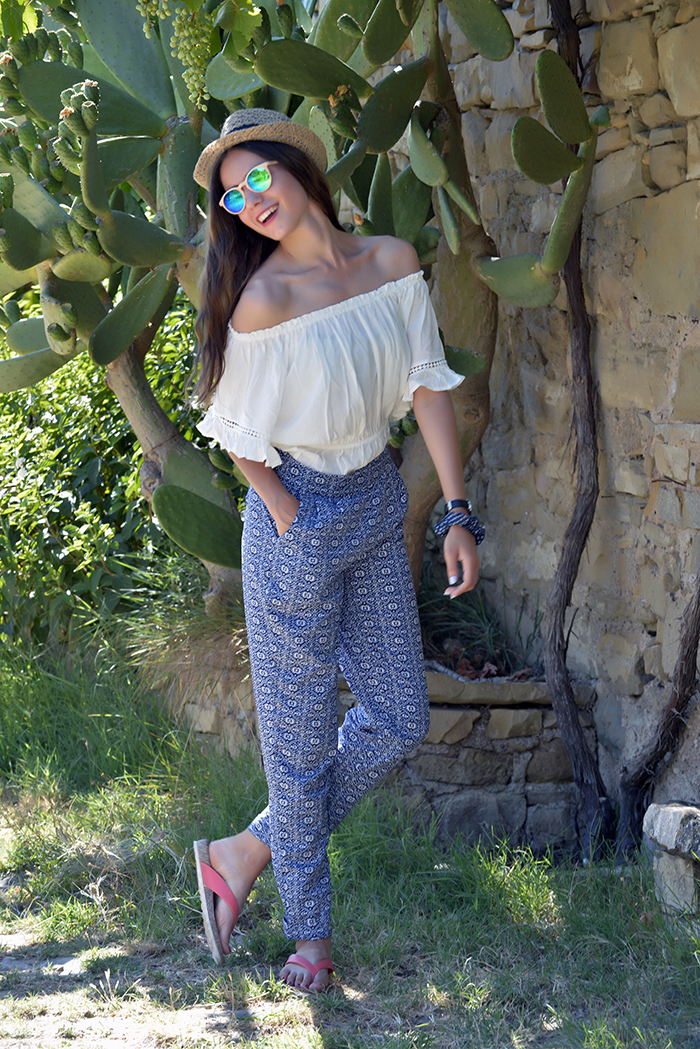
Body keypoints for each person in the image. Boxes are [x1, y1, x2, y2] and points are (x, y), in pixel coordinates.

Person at [190, 109, 483, 994]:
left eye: (256, 177)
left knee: (398, 716)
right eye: (231, 196)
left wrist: (456, 512)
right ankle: (311, 937)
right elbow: (231, 425)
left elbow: (428, 389)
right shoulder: (262, 299)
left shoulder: (390, 262)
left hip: (377, 501)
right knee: (300, 737)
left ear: (296, 167)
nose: (248, 202)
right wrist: (285, 509)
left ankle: (245, 851)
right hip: (301, 516)